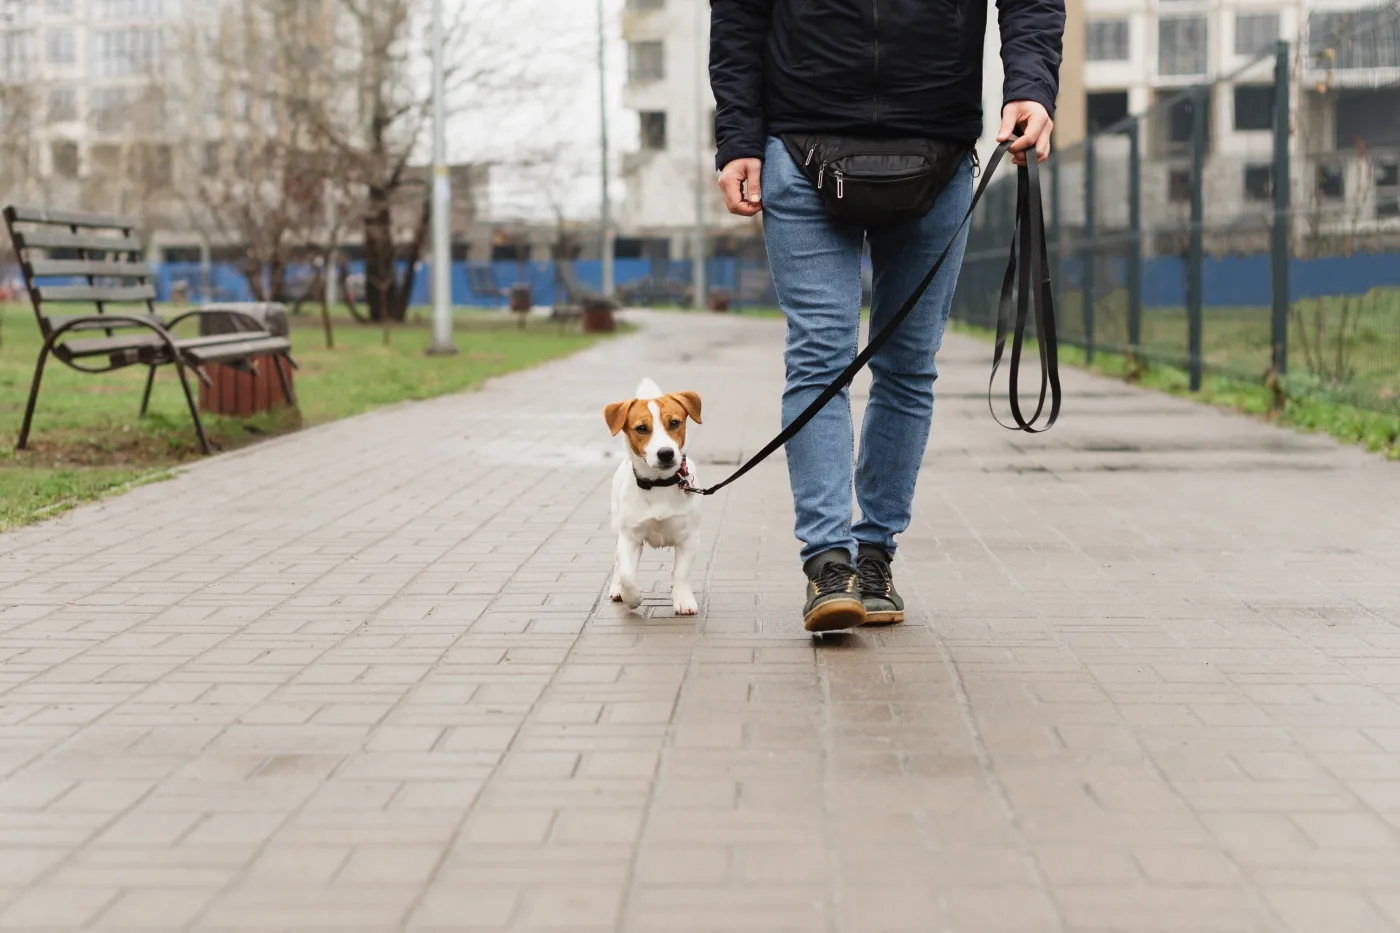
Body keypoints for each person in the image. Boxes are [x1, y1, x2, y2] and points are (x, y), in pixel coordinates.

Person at [710, 0, 1064, 632]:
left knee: (906, 365)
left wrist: (1031, 86)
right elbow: (738, 13)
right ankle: (828, 562)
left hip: (937, 146)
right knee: (821, 356)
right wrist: (738, 138)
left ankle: (873, 555)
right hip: (800, 143)